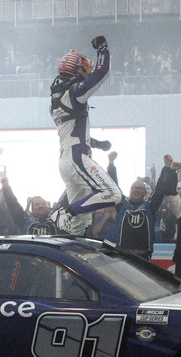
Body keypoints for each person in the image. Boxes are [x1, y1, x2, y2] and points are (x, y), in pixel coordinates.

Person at [48, 35, 122, 235]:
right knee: (113, 195)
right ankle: (63, 211)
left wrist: (97, 144)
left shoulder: (55, 101)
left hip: (65, 159)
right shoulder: (73, 93)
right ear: (76, 69)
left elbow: (71, 130)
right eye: (84, 68)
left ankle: (69, 255)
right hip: (77, 157)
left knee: (79, 228)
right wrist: (103, 49)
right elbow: (102, 72)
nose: (87, 72)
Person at [107, 154, 181, 259]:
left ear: (145, 192)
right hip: (123, 256)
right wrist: (111, 163)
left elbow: (159, 189)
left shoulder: (150, 206)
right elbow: (113, 185)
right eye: (134, 188)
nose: (136, 190)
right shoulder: (122, 204)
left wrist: (166, 168)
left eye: (140, 188)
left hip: (143, 257)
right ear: (130, 191)